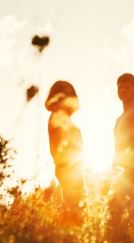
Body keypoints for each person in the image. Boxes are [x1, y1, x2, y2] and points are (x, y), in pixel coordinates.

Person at [109, 73, 134, 239]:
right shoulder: (118, 120)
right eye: (120, 87)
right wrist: (113, 169)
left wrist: (123, 162)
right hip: (120, 173)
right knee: (115, 211)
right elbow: (116, 149)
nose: (122, 90)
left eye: (127, 86)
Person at [45, 80, 85, 226]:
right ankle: (69, 233)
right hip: (68, 169)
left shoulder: (62, 119)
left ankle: (70, 233)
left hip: (73, 169)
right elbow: (59, 148)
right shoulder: (57, 118)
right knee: (73, 206)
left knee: (75, 206)